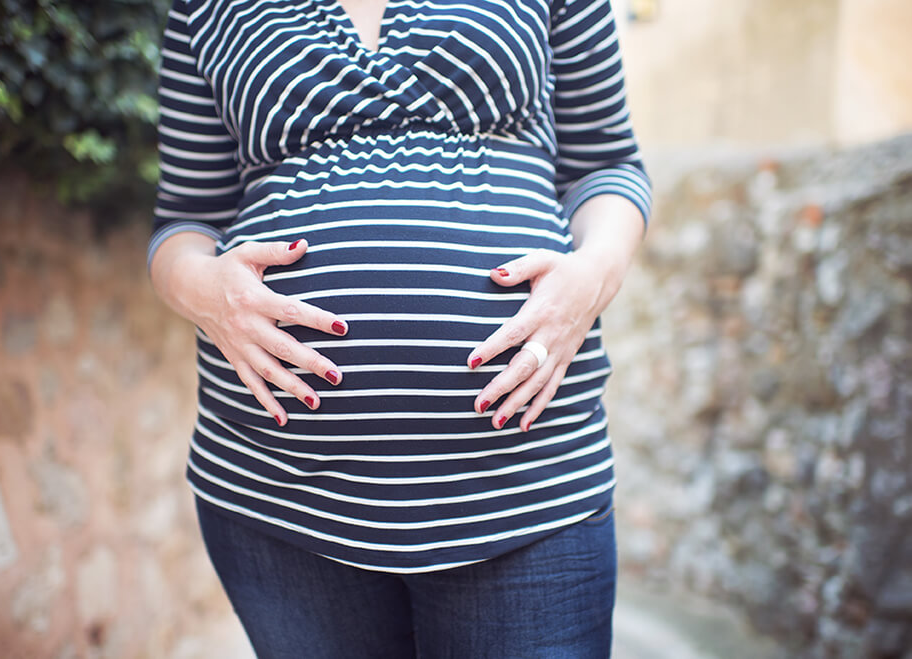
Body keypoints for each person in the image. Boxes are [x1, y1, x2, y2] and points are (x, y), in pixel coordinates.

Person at [148, 0, 651, 656]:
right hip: (280, 492)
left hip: (526, 485)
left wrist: (591, 276)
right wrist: (205, 288)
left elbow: (607, 166)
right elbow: (184, 218)